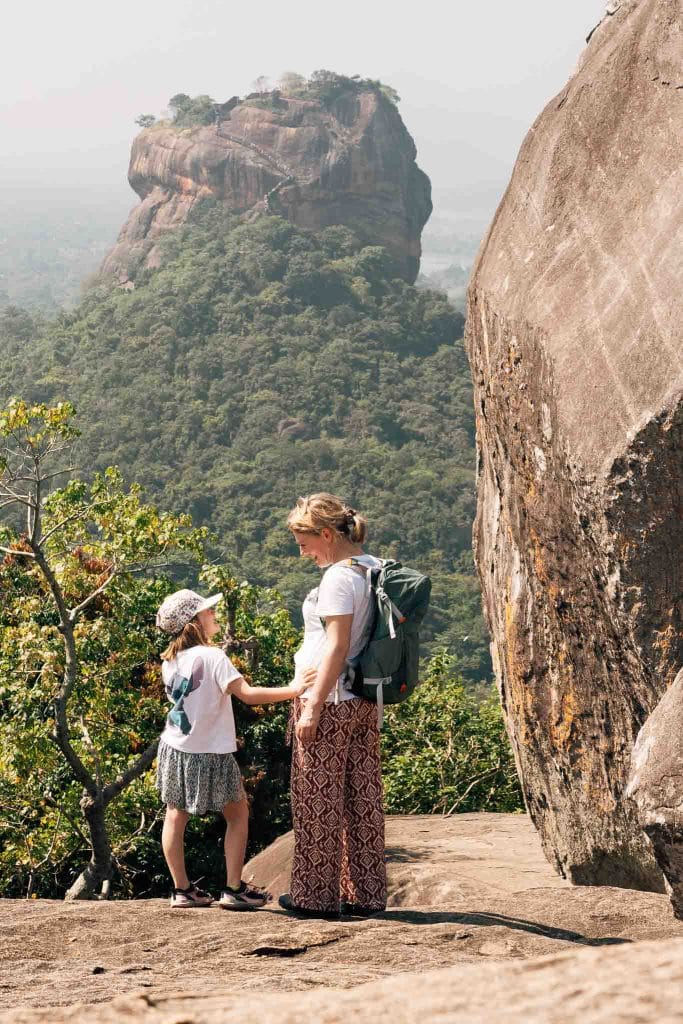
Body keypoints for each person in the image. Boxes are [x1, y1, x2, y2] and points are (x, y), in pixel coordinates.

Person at [155, 587, 313, 909]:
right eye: (207, 612)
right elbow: (248, 694)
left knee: (175, 814)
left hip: (175, 748)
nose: (213, 614)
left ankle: (182, 891)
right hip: (211, 751)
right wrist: (294, 689)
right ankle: (233, 888)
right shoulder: (213, 657)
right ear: (195, 621)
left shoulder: (169, 660)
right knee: (238, 813)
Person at [278, 493, 388, 919]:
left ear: (327, 534)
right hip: (364, 700)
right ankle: (366, 895)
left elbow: (337, 646)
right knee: (363, 799)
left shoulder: (338, 578)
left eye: (305, 543)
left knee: (316, 799)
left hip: (332, 699)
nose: (302, 552)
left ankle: (314, 897)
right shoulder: (373, 568)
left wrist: (312, 708)